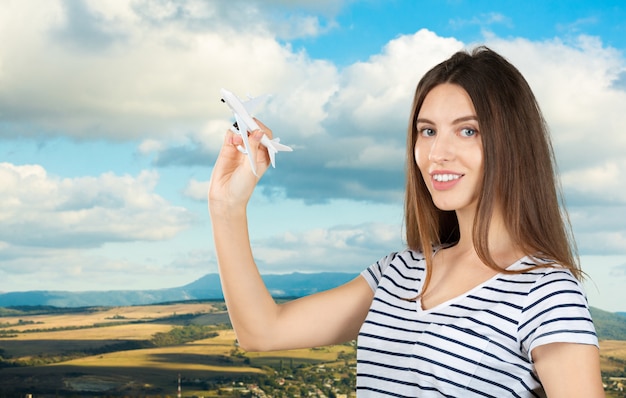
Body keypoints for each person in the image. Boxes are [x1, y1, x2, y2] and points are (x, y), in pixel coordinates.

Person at [208, 46, 604, 397]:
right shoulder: (397, 273)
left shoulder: (545, 293)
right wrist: (226, 206)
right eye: (427, 131)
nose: (437, 152)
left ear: (512, 143)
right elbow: (262, 331)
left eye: (468, 131)